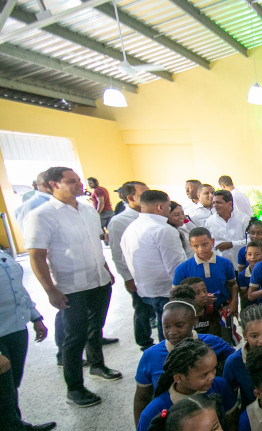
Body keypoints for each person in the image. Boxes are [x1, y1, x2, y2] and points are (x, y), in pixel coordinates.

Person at [25, 166, 120, 408]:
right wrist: (50, 290)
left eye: (79, 180)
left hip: (98, 280)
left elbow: (95, 245)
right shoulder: (42, 215)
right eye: (71, 181)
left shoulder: (88, 210)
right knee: (74, 337)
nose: (79, 184)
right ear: (54, 184)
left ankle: (97, 365)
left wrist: (106, 270)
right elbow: (36, 256)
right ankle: (75, 388)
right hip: (71, 287)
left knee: (95, 327)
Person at [134, 338, 238, 431]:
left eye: (213, 369)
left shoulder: (220, 387)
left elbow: (232, 426)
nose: (212, 377)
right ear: (178, 378)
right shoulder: (154, 411)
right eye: (203, 375)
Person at [0, 253, 61, 431]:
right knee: (2, 403)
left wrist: (35, 317)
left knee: (10, 389)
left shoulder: (3, 255)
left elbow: (18, 288)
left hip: (15, 328)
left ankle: (17, 426)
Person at [132, 299, 235, 423]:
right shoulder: (150, 356)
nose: (172, 332)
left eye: (179, 325)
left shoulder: (213, 343)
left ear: (194, 321)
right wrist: (140, 428)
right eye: (166, 327)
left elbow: (236, 362)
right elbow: (141, 398)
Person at [121, 190, 187, 342]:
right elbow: (176, 267)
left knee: (163, 324)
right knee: (173, 333)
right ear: (160, 207)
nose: (169, 209)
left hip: (145, 290)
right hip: (168, 291)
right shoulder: (164, 230)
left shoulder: (131, 228)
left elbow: (125, 259)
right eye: (168, 206)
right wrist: (185, 291)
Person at [106, 181, 156, 350]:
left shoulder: (152, 215)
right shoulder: (119, 221)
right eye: (143, 195)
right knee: (142, 309)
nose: (149, 197)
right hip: (137, 274)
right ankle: (145, 343)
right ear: (130, 198)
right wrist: (127, 277)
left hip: (155, 272)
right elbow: (117, 253)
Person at [173, 227, 239, 338]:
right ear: (190, 246)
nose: (201, 249)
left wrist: (234, 303)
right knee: (200, 341)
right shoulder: (182, 269)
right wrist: (197, 300)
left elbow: (233, 285)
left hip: (222, 310)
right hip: (196, 314)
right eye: (196, 246)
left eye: (205, 244)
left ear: (212, 242)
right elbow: (175, 295)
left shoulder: (225, 263)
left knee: (225, 339)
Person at [205, 189, 251, 269]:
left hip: (241, 265)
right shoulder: (210, 221)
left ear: (229, 203)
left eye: (219, 203)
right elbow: (208, 243)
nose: (215, 205)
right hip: (220, 266)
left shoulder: (244, 219)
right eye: (214, 203)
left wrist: (232, 244)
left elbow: (251, 241)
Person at [239, 241, 262, 308]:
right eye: (249, 254)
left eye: (257, 254)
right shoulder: (242, 275)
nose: (253, 257)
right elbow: (244, 296)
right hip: (251, 307)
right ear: (246, 256)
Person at [86, 176, 113, 240]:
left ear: (95, 183)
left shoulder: (98, 190)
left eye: (90, 183)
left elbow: (101, 203)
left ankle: (107, 242)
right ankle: (110, 241)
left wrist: (97, 214)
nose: (89, 185)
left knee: (98, 229)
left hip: (103, 212)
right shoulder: (102, 189)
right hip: (108, 211)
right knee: (110, 228)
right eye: (88, 183)